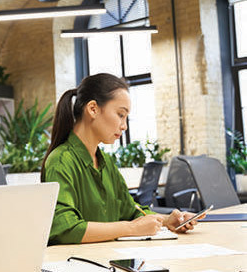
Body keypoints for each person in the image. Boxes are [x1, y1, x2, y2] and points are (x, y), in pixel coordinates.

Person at [41, 73, 198, 244]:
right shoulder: (61, 161)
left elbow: (131, 211)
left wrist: (167, 221)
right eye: (120, 115)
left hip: (110, 259)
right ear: (93, 109)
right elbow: (66, 229)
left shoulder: (105, 162)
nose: (124, 126)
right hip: (79, 264)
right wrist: (131, 229)